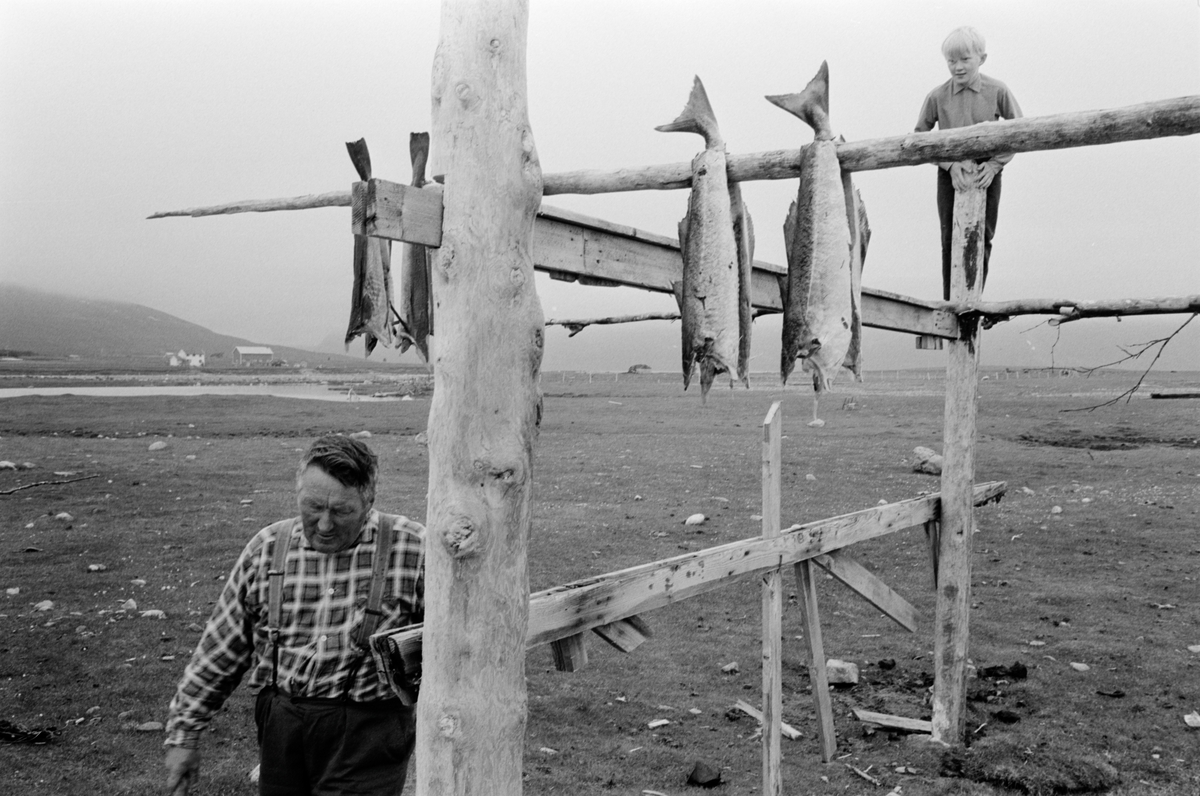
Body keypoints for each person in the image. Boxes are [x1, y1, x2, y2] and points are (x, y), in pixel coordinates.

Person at [163, 435, 425, 796]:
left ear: (369, 500)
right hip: (282, 728)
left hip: (371, 732)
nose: (324, 524)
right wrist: (184, 734)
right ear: (298, 492)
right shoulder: (268, 548)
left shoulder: (413, 548)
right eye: (313, 506)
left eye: (342, 511)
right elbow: (220, 650)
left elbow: (459, 646)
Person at [915, 26, 1023, 300]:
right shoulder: (936, 96)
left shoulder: (998, 90)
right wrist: (949, 166)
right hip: (950, 172)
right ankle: (951, 302)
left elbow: (1022, 131)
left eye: (965, 60)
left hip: (987, 172)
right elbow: (919, 138)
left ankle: (973, 301)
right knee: (949, 238)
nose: (958, 67)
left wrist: (995, 165)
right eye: (951, 61)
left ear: (981, 59)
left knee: (982, 236)